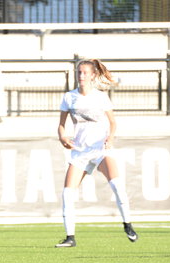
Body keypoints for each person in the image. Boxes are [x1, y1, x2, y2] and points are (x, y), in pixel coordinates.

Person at [55, 59, 138, 248]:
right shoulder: (69, 97)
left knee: (117, 186)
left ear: (93, 75)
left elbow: (113, 122)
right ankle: (70, 237)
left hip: (100, 149)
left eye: (85, 72)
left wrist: (111, 138)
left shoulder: (100, 97)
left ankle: (127, 225)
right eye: (79, 72)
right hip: (80, 152)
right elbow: (61, 125)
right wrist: (62, 137)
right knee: (67, 194)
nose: (81, 75)